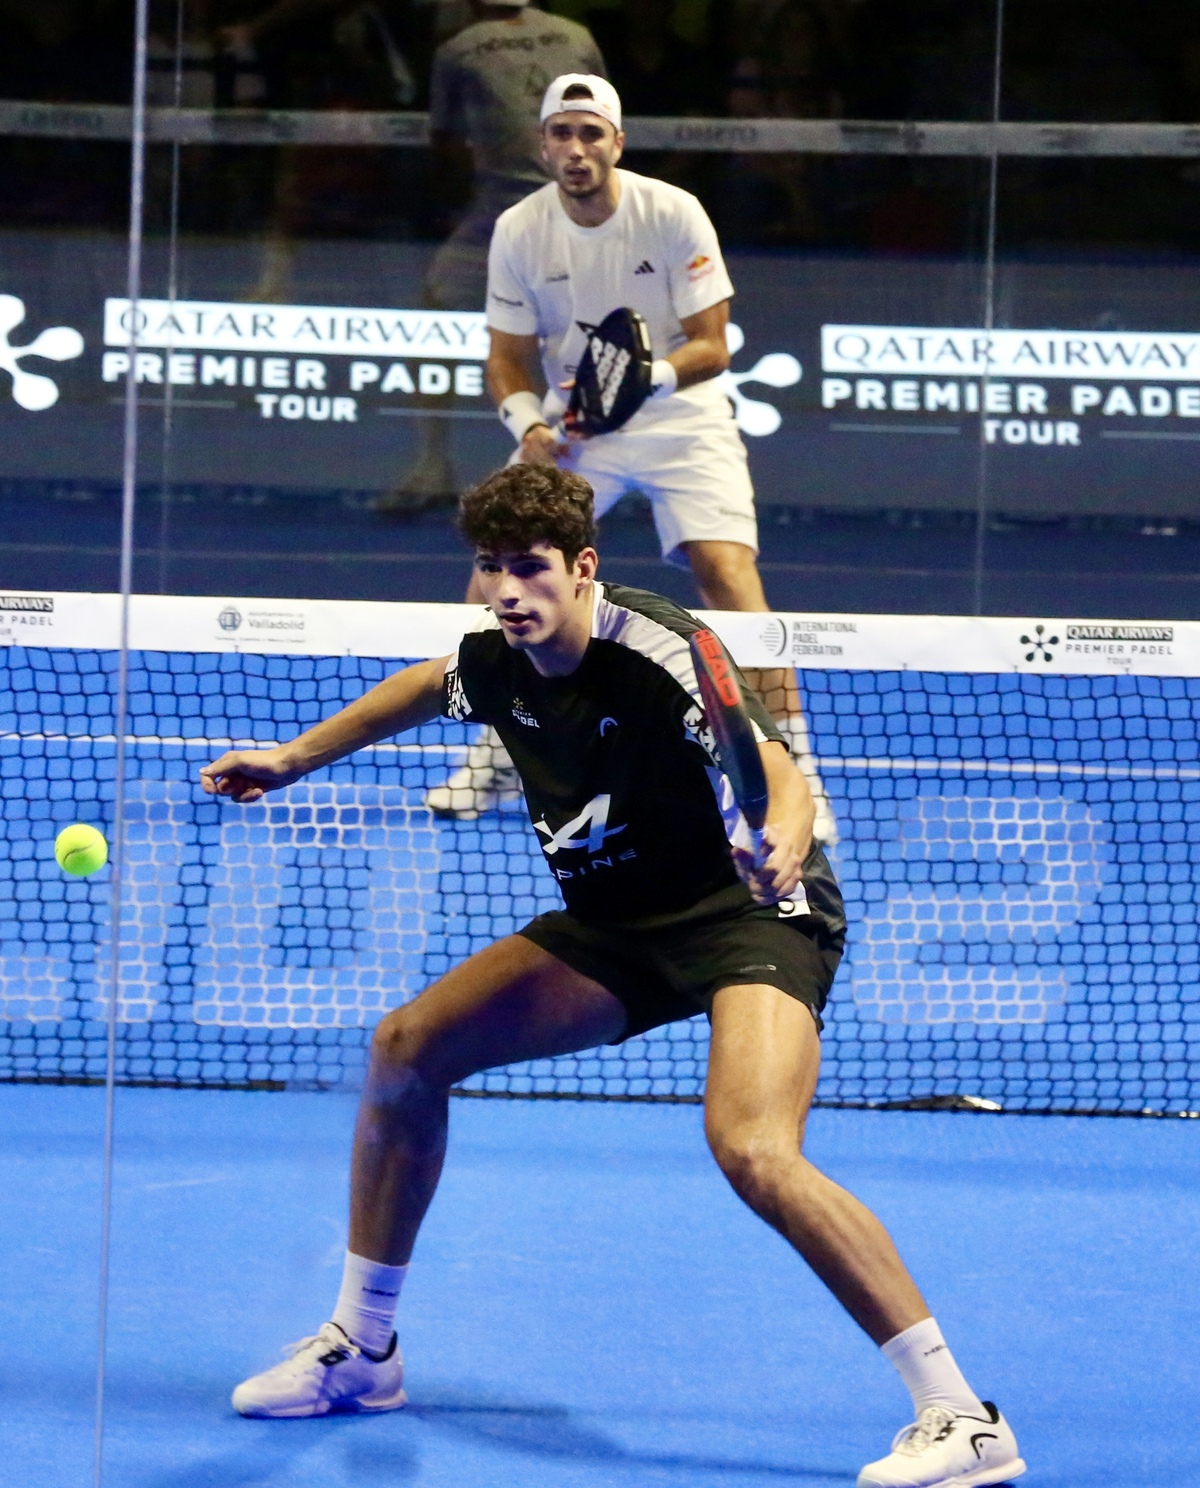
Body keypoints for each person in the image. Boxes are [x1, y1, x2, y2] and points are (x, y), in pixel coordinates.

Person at [200, 465, 1023, 1488]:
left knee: (754, 1148)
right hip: (620, 922)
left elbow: (780, 777)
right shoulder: (499, 660)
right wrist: (295, 757)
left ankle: (962, 1418)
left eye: (532, 570)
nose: (509, 591)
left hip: (749, 915)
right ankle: (363, 1352)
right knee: (408, 1048)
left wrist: (778, 839)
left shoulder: (664, 652)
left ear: (582, 568)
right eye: (492, 568)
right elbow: (426, 685)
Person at [425, 72, 836, 849]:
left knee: (729, 576)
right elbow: (507, 356)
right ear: (542, 145)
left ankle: (796, 768)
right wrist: (529, 424)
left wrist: (650, 378)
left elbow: (711, 345)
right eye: (561, 134)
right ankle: (498, 752)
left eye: (591, 133)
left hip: (683, 417)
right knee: (498, 575)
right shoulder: (520, 229)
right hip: (576, 428)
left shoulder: (673, 213)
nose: (576, 148)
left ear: (617, 141)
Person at [379, 0, 606, 511]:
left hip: (518, 211)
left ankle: (581, 472)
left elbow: (444, 144)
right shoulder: (574, 35)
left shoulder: (458, 49)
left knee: (439, 316)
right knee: (569, 335)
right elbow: (604, 127)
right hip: (533, 213)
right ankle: (438, 464)